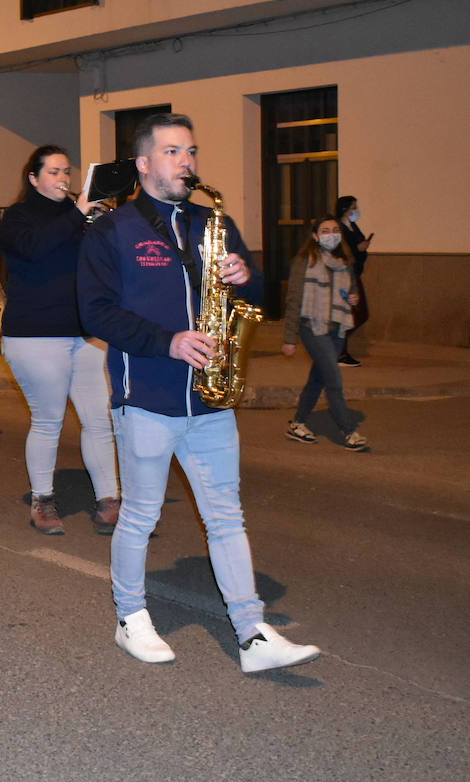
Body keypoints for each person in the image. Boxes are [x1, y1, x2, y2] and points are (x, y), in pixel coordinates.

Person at [78, 111, 321, 672]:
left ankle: (252, 632)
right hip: (147, 397)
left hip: (210, 398)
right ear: (144, 163)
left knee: (227, 516)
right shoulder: (111, 231)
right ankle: (130, 618)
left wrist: (246, 278)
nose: (186, 162)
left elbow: (261, 295)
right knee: (141, 516)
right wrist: (167, 342)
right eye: (172, 152)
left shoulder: (214, 222)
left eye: (190, 151)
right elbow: (95, 313)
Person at [0, 145, 121, 535]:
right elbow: (36, 248)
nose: (63, 178)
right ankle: (43, 501)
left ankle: (110, 499)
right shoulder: (18, 217)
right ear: (33, 178)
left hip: (84, 333)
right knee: (48, 420)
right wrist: (79, 212)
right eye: (53, 172)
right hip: (35, 333)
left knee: (99, 419)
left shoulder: (82, 216)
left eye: (66, 171)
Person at [281, 216, 369, 451]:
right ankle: (349, 431)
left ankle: (298, 424)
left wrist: (353, 298)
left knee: (318, 378)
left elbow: (351, 289)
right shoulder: (304, 261)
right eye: (325, 230)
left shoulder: (344, 261)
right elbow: (293, 299)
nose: (332, 234)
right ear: (315, 236)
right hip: (312, 327)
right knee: (333, 380)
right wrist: (289, 338)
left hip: (337, 328)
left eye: (335, 230)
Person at [333, 195, 370, 366]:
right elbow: (342, 251)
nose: (356, 211)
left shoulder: (352, 225)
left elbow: (357, 251)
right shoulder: (338, 228)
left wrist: (361, 249)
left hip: (354, 273)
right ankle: (339, 352)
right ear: (345, 209)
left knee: (359, 313)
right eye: (353, 207)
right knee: (353, 313)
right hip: (345, 276)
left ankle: (338, 347)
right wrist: (357, 249)